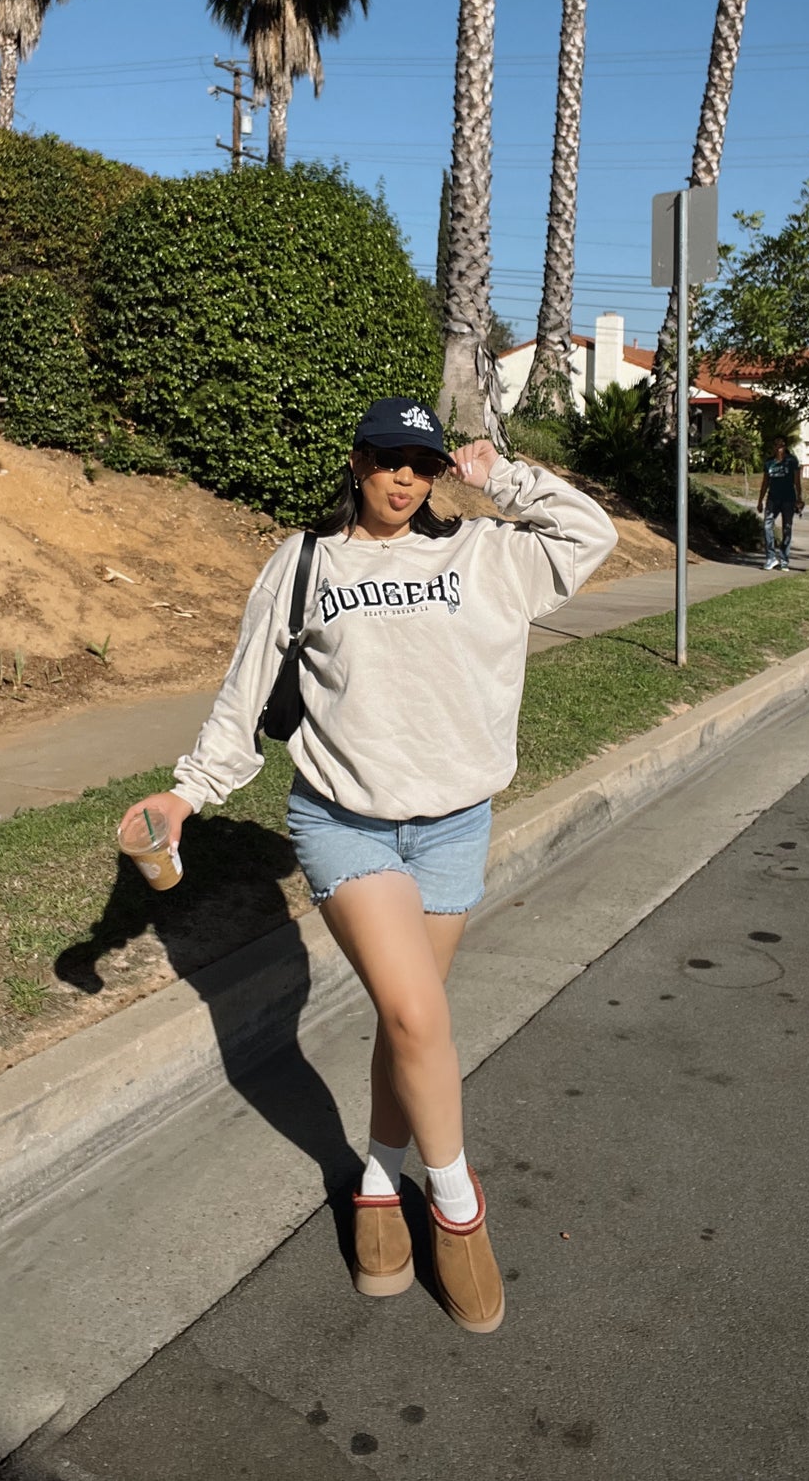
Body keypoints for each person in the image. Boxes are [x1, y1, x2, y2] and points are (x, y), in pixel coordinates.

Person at [120, 395, 616, 1333]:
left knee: (408, 1026)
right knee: (417, 1009)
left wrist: (496, 474)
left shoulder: (489, 555)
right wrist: (187, 793)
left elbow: (585, 530)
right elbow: (242, 693)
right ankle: (459, 1206)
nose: (404, 477)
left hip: (454, 824)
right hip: (343, 822)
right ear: (354, 461)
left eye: (421, 463)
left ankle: (380, 1183)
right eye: (387, 458)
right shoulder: (305, 563)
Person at [757, 434, 805, 569]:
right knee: (767, 526)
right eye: (776, 444)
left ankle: (784, 559)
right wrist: (760, 501)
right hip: (772, 499)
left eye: (781, 444)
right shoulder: (769, 463)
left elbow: (797, 482)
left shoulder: (791, 461)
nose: (779, 448)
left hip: (788, 499)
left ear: (785, 446)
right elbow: (765, 482)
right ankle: (771, 557)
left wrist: (799, 498)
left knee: (787, 528)